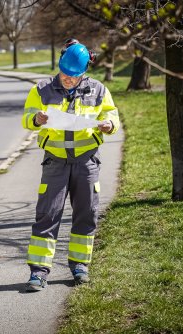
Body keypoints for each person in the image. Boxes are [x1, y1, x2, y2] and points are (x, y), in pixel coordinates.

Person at [21, 39, 120, 291]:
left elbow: (111, 114)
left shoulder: (99, 90)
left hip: (87, 161)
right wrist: (36, 118)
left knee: (86, 213)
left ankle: (79, 266)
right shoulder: (41, 89)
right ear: (59, 66)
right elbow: (26, 119)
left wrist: (109, 124)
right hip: (55, 162)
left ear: (84, 71)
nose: (67, 79)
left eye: (73, 76)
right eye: (64, 74)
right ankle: (39, 272)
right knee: (48, 214)